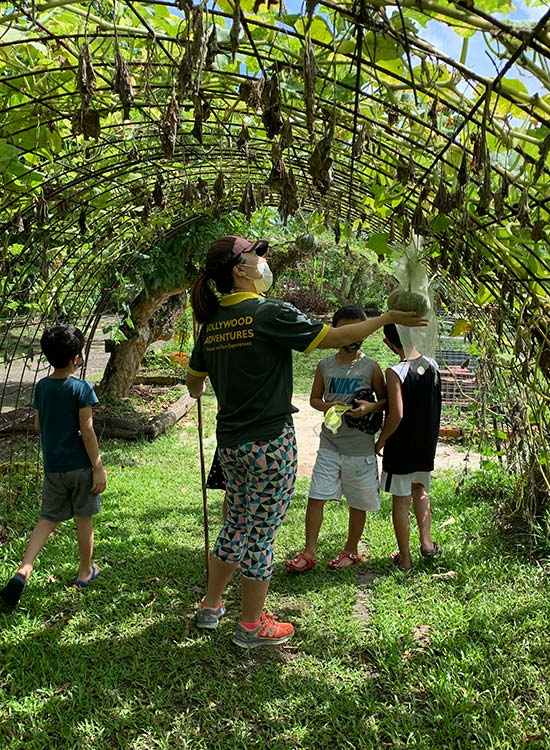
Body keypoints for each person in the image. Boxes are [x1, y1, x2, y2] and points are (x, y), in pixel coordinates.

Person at [186, 235, 426, 648]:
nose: (263, 260)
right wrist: (385, 317)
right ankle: (251, 625)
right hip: (269, 445)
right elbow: (333, 337)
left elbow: (193, 386)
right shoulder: (266, 313)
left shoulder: (211, 325)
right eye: (255, 255)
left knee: (237, 524)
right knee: (260, 533)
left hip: (231, 444)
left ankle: (211, 606)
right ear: (239, 270)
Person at [0, 324, 108, 607]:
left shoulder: (43, 387)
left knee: (47, 520)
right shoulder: (82, 388)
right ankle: (85, 571)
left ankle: (24, 569)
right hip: (80, 468)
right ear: (77, 357)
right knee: (84, 519)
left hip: (54, 468)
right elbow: (87, 430)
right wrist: (98, 466)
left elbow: (37, 423)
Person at [284, 305, 387, 573]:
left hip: (360, 447)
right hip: (329, 444)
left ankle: (351, 550)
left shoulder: (371, 367)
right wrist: (328, 406)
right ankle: (309, 552)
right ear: (335, 331)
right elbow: (314, 399)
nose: (352, 336)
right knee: (316, 496)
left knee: (357, 501)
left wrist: (369, 408)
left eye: (358, 330)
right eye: (345, 330)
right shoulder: (325, 365)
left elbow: (385, 400)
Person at [375, 322, 442, 571]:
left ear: (389, 343)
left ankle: (404, 559)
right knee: (420, 489)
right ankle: (426, 543)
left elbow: (396, 414)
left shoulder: (395, 371)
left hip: (401, 445)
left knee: (401, 500)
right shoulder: (433, 365)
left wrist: (381, 440)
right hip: (426, 443)